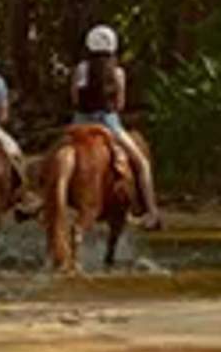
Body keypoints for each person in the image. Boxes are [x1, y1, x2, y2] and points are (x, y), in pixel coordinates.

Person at [70, 23, 163, 225]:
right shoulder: (118, 73)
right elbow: (120, 104)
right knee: (142, 163)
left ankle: (39, 199)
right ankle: (152, 211)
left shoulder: (80, 69)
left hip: (80, 123)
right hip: (108, 122)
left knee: (52, 157)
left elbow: (75, 100)